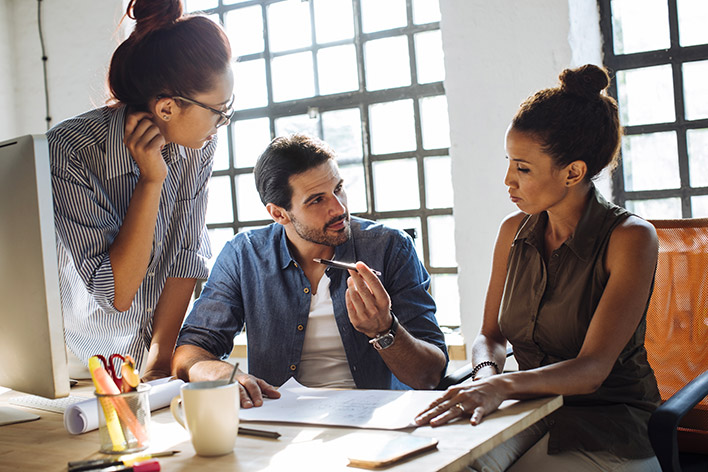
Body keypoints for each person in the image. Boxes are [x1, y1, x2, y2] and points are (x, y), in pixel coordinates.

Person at [415, 65, 661, 471]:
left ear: (573, 172)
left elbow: (591, 370)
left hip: (607, 421)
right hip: (525, 407)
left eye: (523, 168)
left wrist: (502, 384)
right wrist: (485, 376)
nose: (508, 180)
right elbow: (490, 336)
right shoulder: (513, 231)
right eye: (510, 162)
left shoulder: (631, 238)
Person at [173, 134, 448, 407]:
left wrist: (384, 330)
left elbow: (430, 377)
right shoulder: (244, 255)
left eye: (338, 188)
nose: (339, 208)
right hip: (281, 425)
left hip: (378, 424)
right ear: (279, 214)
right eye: (317, 200)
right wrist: (216, 372)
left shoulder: (390, 248)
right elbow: (189, 354)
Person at [47, 0, 233, 381]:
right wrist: (151, 181)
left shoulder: (197, 144)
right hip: (84, 369)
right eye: (219, 110)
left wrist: (161, 361)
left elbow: (185, 254)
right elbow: (116, 292)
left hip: (149, 365)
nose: (222, 123)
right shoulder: (69, 151)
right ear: (167, 108)